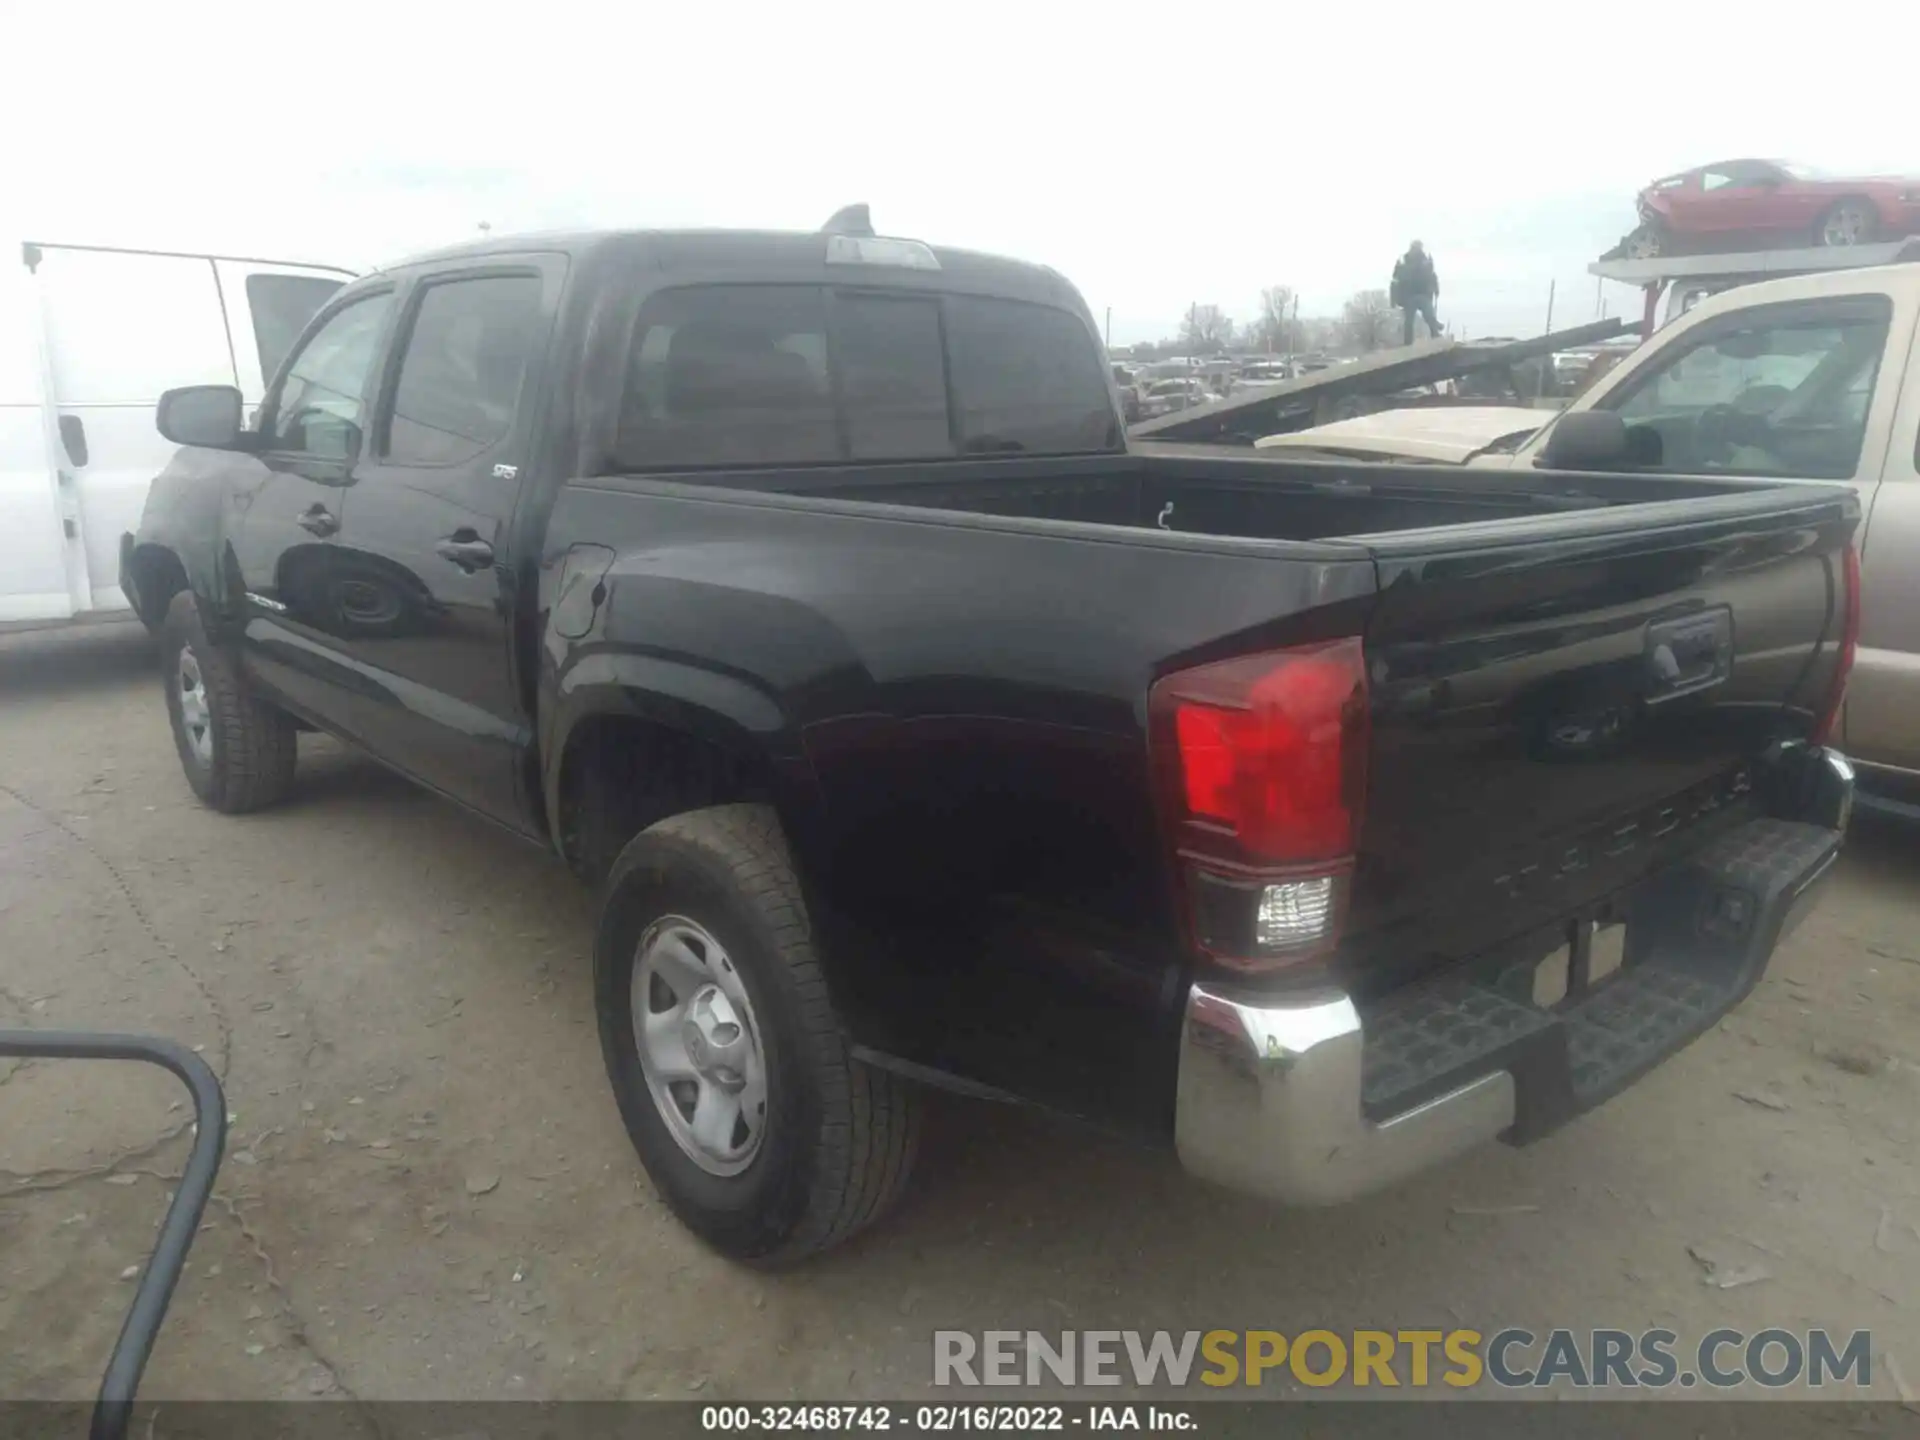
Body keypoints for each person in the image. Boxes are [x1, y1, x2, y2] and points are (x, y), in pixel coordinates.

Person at [1391, 241, 1442, 345]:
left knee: (1429, 315)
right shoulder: (1403, 261)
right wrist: (1393, 298)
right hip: (1408, 295)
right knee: (1409, 321)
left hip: (1423, 294)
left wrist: (1436, 288)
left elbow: (1432, 276)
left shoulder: (1426, 260)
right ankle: (1408, 343)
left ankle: (1435, 333)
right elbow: (1395, 281)